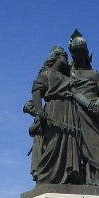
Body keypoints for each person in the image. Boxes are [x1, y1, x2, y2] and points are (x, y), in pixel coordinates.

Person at [25, 46, 80, 185]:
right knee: (54, 142)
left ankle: (67, 174)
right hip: (54, 109)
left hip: (69, 111)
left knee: (68, 140)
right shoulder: (46, 74)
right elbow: (37, 92)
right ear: (57, 57)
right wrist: (39, 111)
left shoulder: (66, 76)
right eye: (64, 57)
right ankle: (46, 175)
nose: (66, 60)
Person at [67, 30, 99, 185]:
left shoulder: (95, 74)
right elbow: (71, 91)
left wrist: (96, 105)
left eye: (77, 53)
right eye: (73, 53)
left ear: (84, 53)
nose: (75, 56)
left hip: (95, 114)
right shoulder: (70, 73)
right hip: (78, 111)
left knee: (96, 145)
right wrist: (87, 105)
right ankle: (81, 177)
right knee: (78, 145)